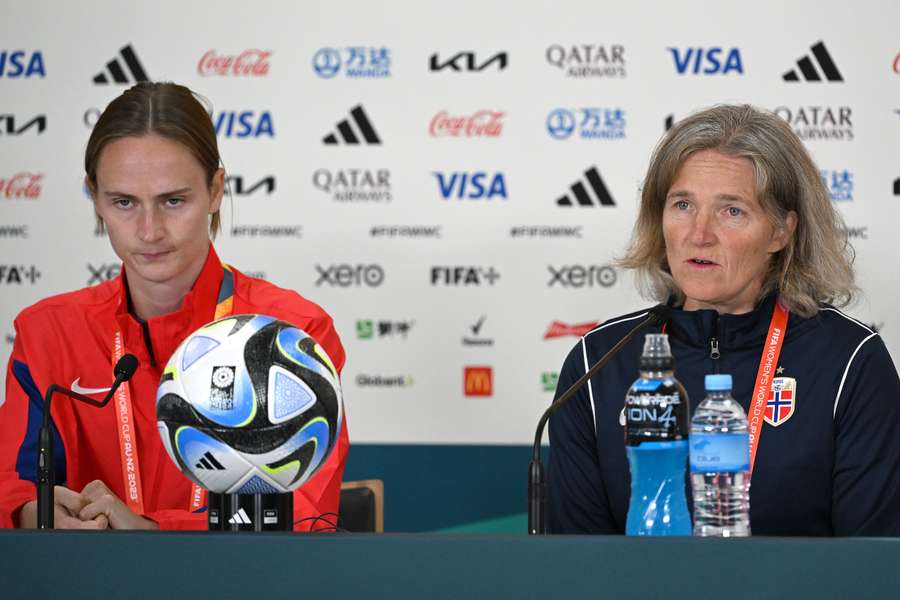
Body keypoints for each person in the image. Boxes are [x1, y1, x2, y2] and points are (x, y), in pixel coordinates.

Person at [0, 82, 349, 530]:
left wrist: (154, 530)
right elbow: (13, 482)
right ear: (95, 197)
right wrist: (33, 512)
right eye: (123, 202)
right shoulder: (47, 332)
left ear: (216, 189)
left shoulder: (292, 331)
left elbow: (303, 512)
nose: (149, 230)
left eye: (173, 201)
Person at [549, 104, 900, 536]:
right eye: (682, 205)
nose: (700, 234)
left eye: (731, 211)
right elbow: (573, 566)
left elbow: (872, 566)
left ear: (780, 231)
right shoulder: (598, 362)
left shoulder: (849, 360)